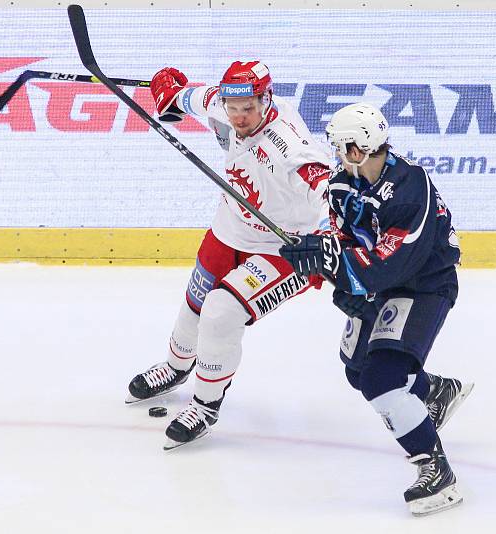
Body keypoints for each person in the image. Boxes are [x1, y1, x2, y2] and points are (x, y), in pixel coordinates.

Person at [126, 61, 334, 450]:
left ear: (266, 99)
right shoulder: (224, 104)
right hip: (230, 230)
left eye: (249, 109)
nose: (239, 117)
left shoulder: (289, 146)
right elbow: (190, 98)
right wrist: (170, 93)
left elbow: (327, 191)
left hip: (285, 247)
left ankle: (205, 405)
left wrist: (328, 233)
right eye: (233, 107)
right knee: (195, 303)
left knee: (221, 313)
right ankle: (175, 367)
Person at [279, 103, 473, 516]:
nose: (337, 155)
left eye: (342, 148)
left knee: (382, 379)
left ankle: (435, 469)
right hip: (382, 282)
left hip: (423, 284)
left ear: (360, 147)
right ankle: (433, 391)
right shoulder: (342, 184)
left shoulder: (409, 185)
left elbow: (399, 256)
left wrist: (349, 278)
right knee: (356, 368)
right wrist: (318, 253)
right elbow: (339, 234)